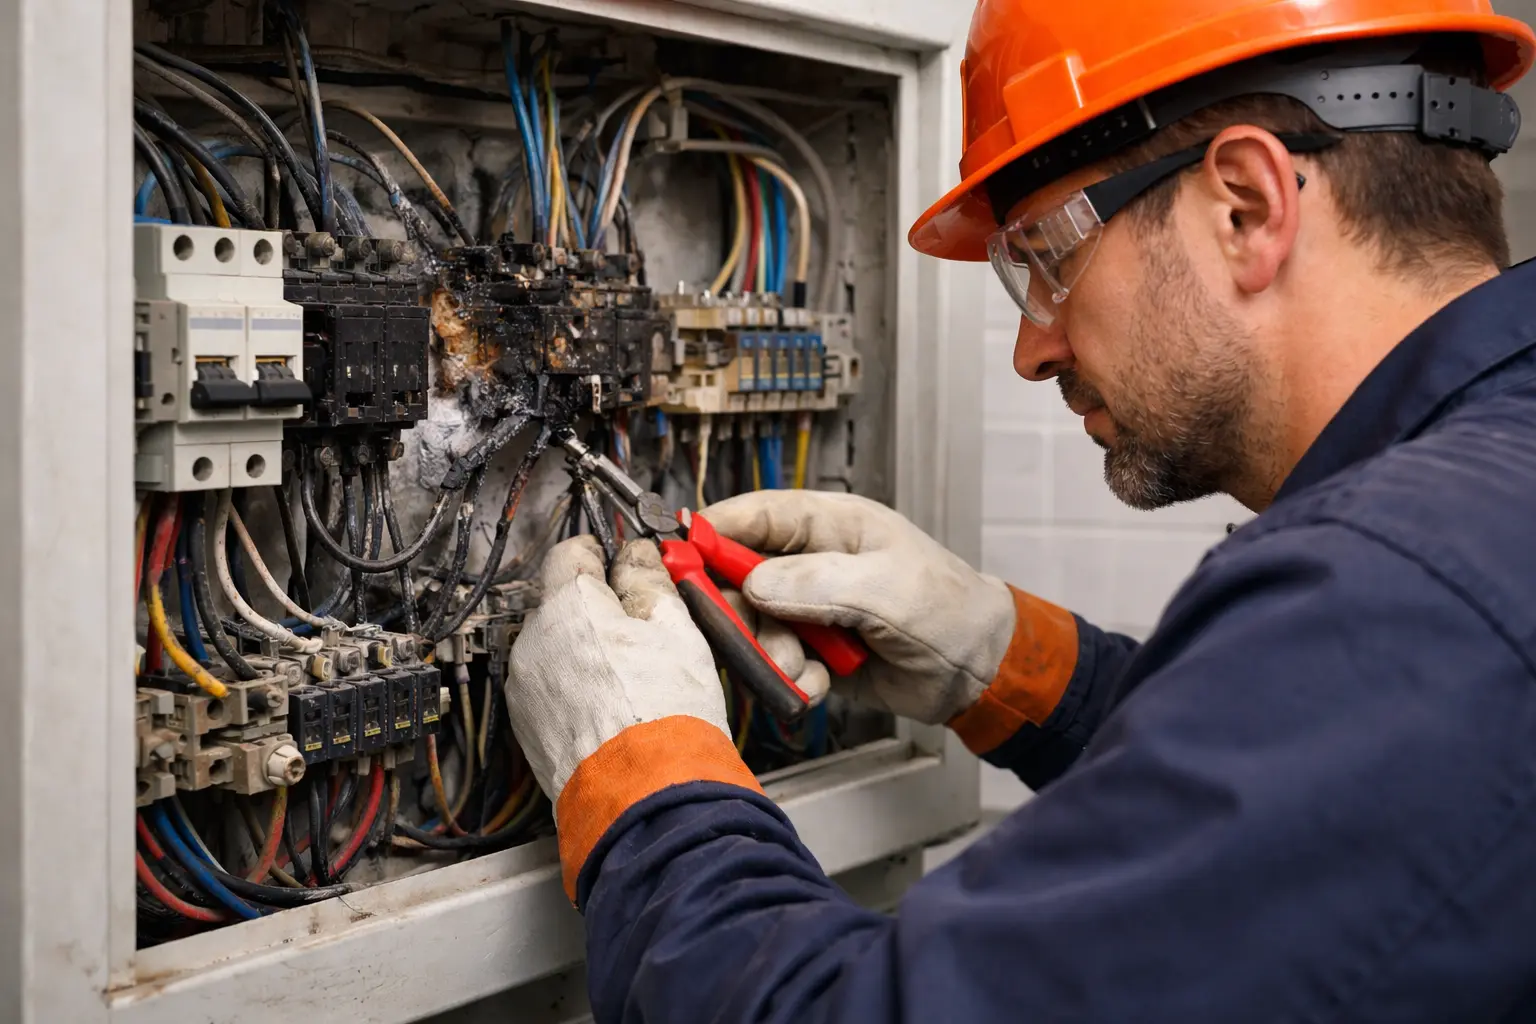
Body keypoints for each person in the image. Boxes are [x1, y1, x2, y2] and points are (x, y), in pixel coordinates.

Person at [504, 1, 1536, 1019]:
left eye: (1047, 256)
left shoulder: (1402, 593)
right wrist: (1010, 660)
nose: (1031, 346)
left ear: (1247, 208)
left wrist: (645, 777)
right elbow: (1318, 833)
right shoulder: (1476, 518)